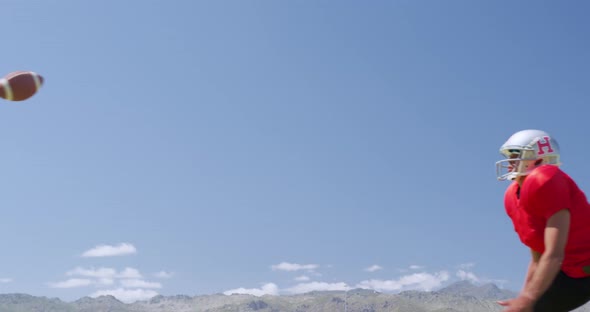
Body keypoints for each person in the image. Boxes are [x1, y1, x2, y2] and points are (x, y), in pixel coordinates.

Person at [496, 129, 590, 312]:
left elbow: (555, 254)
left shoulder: (546, 182)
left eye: (516, 155)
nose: (509, 162)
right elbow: (538, 257)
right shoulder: (512, 196)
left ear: (539, 159)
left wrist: (529, 298)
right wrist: (524, 297)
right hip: (568, 270)